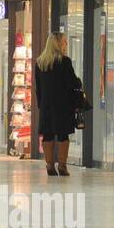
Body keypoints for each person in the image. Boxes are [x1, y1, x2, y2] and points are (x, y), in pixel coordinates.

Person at [34, 32, 82, 176]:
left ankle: (49, 165)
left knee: (48, 135)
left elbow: (39, 88)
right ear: (58, 43)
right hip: (63, 105)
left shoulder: (40, 63)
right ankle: (62, 165)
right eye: (64, 42)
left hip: (46, 105)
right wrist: (78, 81)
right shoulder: (64, 61)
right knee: (63, 134)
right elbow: (72, 83)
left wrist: (41, 104)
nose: (66, 44)